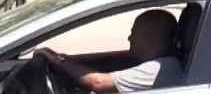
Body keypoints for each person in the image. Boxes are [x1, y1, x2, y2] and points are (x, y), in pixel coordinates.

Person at [34, 10, 182, 92]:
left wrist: (57, 59)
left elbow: (98, 82)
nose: (129, 38)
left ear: (150, 37)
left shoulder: (161, 68)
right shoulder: (163, 64)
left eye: (134, 33)